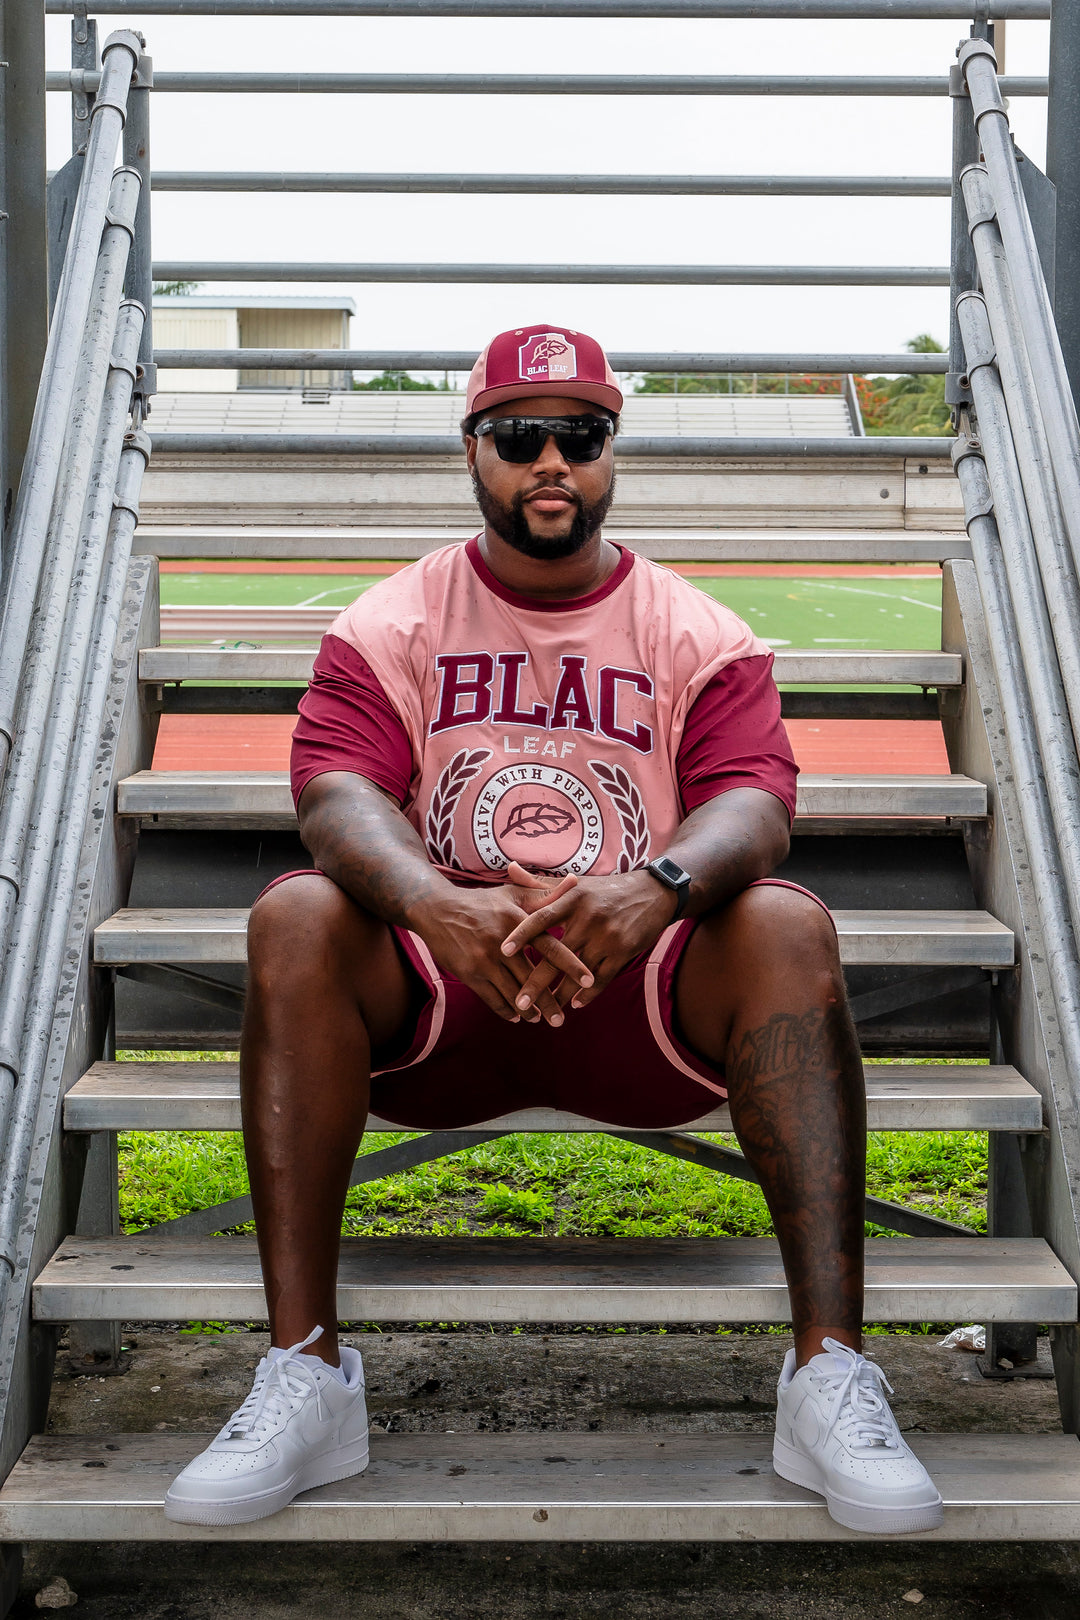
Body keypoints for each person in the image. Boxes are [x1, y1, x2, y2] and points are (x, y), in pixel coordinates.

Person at [165, 323, 943, 1535]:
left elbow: (757, 799)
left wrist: (655, 888)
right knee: (301, 913)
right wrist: (434, 901)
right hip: (443, 992)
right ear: (472, 448)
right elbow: (333, 790)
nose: (549, 463)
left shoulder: (694, 630)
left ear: (610, 452)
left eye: (576, 437)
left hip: (639, 992)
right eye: (519, 435)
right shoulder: (392, 620)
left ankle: (828, 1373)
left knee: (786, 924)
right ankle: (306, 1370)